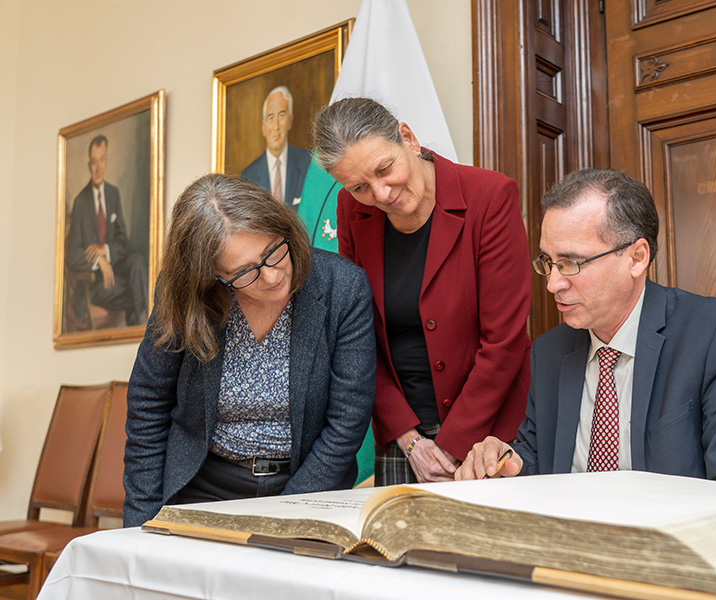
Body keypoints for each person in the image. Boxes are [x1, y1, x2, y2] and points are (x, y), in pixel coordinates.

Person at [456, 168, 716, 485]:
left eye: (571, 263)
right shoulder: (550, 351)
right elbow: (539, 465)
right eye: (548, 262)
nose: (553, 284)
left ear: (636, 257)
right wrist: (507, 462)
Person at [123, 174, 375, 527]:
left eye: (273, 252)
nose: (271, 277)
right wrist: (140, 524)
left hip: (310, 487)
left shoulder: (342, 287)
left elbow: (347, 421)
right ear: (211, 276)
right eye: (245, 272)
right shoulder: (185, 295)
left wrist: (285, 515)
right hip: (203, 488)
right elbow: (148, 405)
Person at [312, 97, 531, 485]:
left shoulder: (489, 196)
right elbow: (357, 337)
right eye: (360, 186)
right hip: (403, 439)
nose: (381, 194)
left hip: (487, 433)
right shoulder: (352, 210)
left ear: (408, 139)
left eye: (385, 169)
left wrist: (450, 446)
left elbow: (505, 340)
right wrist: (411, 441)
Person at [66, 134, 148, 326]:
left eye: (102, 160)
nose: (98, 167)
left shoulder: (112, 194)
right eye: (94, 161)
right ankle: (138, 327)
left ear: (106, 160)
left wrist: (106, 251)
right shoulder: (80, 202)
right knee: (135, 288)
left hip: (118, 268)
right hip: (95, 282)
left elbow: (123, 242)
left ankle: (137, 325)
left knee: (137, 261)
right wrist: (98, 259)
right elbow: (73, 255)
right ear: (89, 165)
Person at [241, 86, 313, 209]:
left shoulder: (309, 162)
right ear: (263, 127)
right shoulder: (249, 176)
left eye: (281, 116)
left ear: (290, 121)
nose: (276, 126)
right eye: (270, 118)